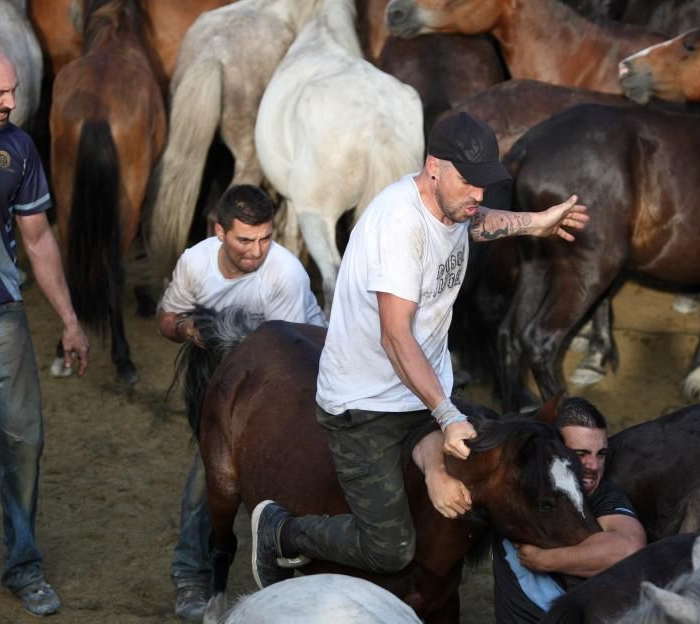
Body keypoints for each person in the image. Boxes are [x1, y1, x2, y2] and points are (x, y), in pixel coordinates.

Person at [249, 111, 590, 587]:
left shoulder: (453, 206)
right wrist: (447, 416)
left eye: (484, 184)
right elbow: (395, 335)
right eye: (469, 183)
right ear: (434, 166)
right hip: (363, 404)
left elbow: (473, 223)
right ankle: (284, 532)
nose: (479, 196)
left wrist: (536, 223)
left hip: (420, 394)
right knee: (389, 549)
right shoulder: (397, 225)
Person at [156, 184, 326, 623]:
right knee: (208, 478)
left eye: (266, 238)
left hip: (296, 379)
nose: (256, 251)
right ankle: (191, 574)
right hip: (220, 373)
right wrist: (190, 331)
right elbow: (166, 319)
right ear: (219, 232)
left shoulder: (285, 275)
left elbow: (284, 366)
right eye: (244, 240)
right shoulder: (195, 262)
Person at [0, 42, 90, 616]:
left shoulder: (17, 147)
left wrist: (69, 320)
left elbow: (38, 238)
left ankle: (23, 565)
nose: (11, 102)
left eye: (14, 90)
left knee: (23, 441)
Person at [493, 397, 646, 624]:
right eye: (580, 454)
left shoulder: (604, 495)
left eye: (600, 454)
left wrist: (546, 559)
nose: (594, 466)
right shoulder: (516, 493)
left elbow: (630, 548)